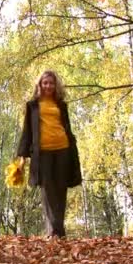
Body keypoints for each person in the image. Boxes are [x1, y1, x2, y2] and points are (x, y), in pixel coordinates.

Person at [16, 70, 82, 238]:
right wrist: (22, 158)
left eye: (51, 83)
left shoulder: (61, 105)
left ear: (55, 85)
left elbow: (67, 127)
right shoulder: (32, 106)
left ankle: (58, 232)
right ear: (40, 85)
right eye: (45, 83)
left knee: (60, 189)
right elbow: (27, 132)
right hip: (42, 152)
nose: (48, 86)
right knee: (47, 190)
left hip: (63, 149)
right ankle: (54, 231)